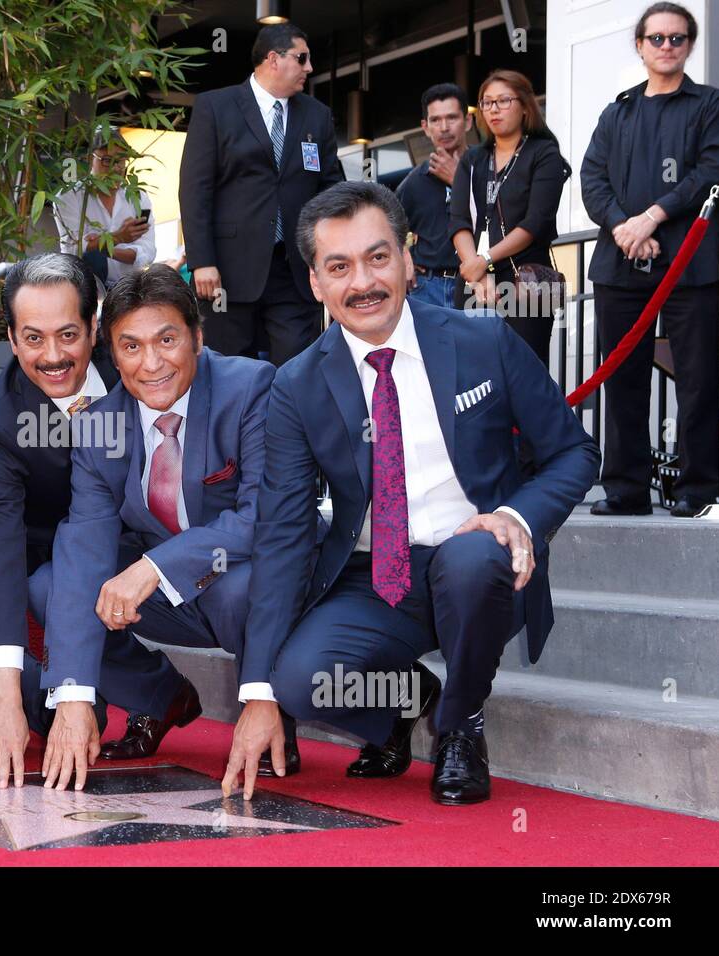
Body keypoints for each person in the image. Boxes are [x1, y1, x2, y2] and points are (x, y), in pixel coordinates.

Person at [225, 182, 599, 805]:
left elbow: (573, 451)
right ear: (315, 283)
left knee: (476, 553)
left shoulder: (485, 341)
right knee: (299, 682)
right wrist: (258, 691)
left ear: (407, 258)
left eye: (377, 258)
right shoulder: (296, 386)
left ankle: (460, 724)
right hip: (375, 577)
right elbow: (283, 530)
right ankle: (408, 704)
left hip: (474, 562)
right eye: (338, 267)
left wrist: (514, 516)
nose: (362, 283)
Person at [39, 265, 285, 792]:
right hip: (172, 597)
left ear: (197, 336)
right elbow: (85, 547)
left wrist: (154, 567)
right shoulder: (99, 425)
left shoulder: (251, 388)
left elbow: (264, 517)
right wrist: (75, 694)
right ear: (112, 353)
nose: (150, 364)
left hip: (246, 582)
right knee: (51, 586)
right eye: (130, 347)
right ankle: (160, 697)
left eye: (167, 340)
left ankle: (276, 704)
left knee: (243, 588)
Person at [0, 253, 125, 787]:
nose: (53, 357)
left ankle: (163, 693)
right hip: (28, 535)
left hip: (120, 533)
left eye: (68, 334)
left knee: (71, 583)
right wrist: (6, 699)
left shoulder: (136, 368)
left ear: (95, 328)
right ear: (10, 339)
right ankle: (31, 693)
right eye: (33, 338)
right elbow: (1, 547)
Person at [581, 2, 719, 518]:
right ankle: (625, 488)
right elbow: (592, 178)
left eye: (677, 38)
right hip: (621, 263)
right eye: (656, 38)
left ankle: (697, 489)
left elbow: (710, 170)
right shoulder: (616, 112)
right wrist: (625, 227)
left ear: (689, 45)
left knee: (699, 378)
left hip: (692, 262)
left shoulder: (710, 104)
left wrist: (652, 218)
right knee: (622, 377)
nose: (666, 46)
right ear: (639, 46)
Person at [179, 22, 344, 367]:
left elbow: (332, 190)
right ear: (274, 59)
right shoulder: (216, 107)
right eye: (302, 58)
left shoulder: (317, 115)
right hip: (227, 271)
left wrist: (331, 255)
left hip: (294, 270)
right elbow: (196, 188)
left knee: (298, 370)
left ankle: (288, 424)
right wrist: (201, 261)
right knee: (228, 371)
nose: (309, 68)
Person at [449, 70, 571, 362]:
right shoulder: (473, 159)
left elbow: (535, 222)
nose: (493, 109)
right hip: (473, 278)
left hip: (526, 278)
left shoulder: (544, 154)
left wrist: (485, 261)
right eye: (487, 102)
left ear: (525, 106)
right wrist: (475, 271)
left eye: (503, 101)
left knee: (524, 368)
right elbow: (459, 220)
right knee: (473, 372)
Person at [397, 84, 471, 309]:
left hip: (478, 283)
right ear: (425, 127)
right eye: (436, 120)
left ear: (467, 122)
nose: (444, 127)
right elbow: (385, 226)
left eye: (452, 118)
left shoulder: (487, 168)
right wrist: (404, 257)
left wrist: (458, 180)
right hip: (427, 288)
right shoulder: (414, 181)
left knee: (480, 345)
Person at [53, 133, 155, 291]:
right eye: (106, 160)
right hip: (84, 288)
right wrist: (119, 237)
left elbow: (148, 252)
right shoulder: (70, 196)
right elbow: (73, 249)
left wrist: (106, 247)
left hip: (128, 287)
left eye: (120, 161)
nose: (115, 168)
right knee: (93, 258)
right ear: (89, 160)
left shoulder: (138, 196)